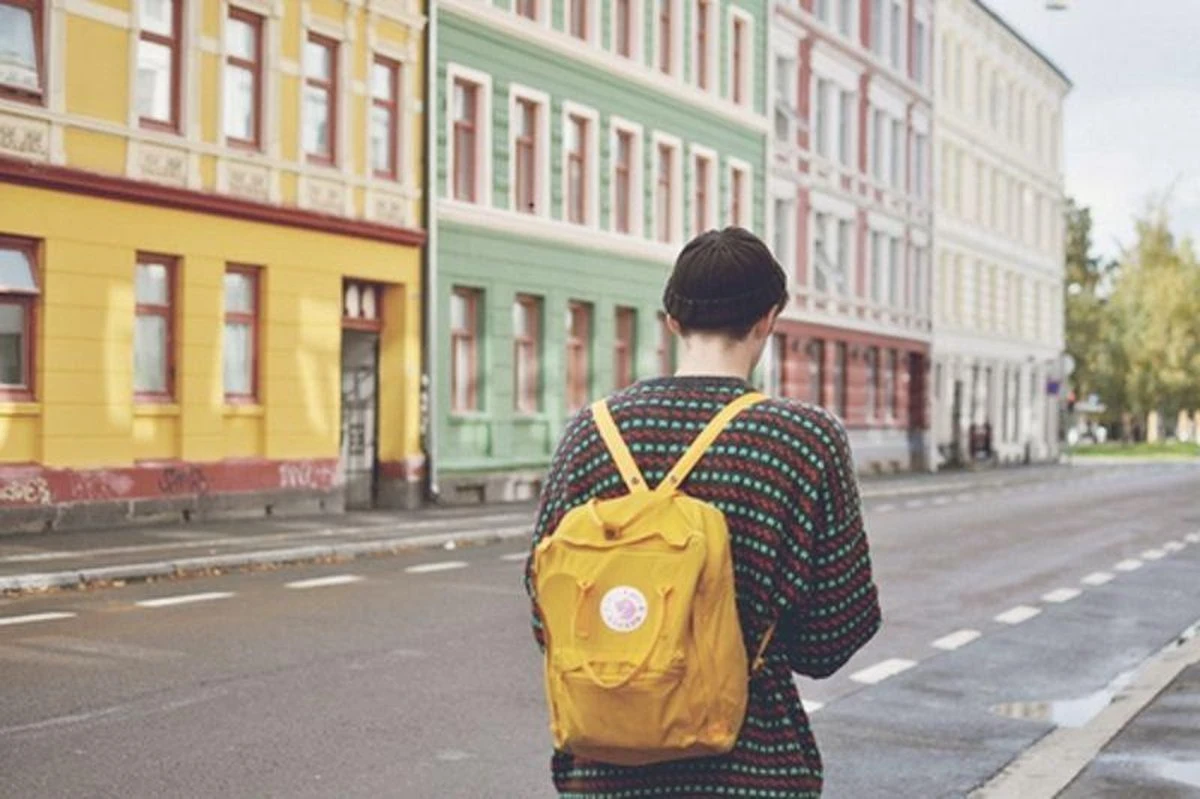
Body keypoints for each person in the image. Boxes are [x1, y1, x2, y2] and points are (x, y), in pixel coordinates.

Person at [525, 227, 882, 798]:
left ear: (672, 320)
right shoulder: (805, 440)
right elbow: (833, 636)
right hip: (752, 768)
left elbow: (548, 606)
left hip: (603, 770)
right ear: (768, 319)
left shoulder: (591, 431)